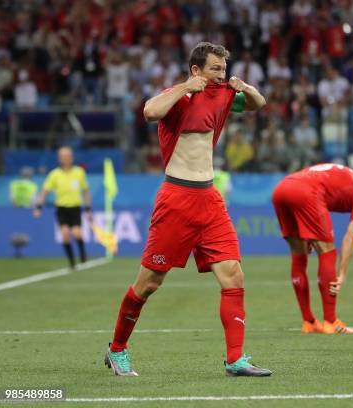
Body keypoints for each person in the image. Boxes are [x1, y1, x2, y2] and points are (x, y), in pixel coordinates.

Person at [105, 42, 271, 377]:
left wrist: (245, 87)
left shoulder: (224, 93)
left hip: (210, 200)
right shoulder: (179, 96)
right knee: (149, 283)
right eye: (214, 69)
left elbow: (258, 103)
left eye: (223, 69)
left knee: (233, 274)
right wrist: (185, 86)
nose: (220, 75)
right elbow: (149, 111)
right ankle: (117, 349)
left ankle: (235, 359)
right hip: (177, 199)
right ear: (196, 70)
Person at [272, 163, 353, 334]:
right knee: (327, 252)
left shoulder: (349, 179)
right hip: (306, 192)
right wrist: (342, 274)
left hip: (282, 189)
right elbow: (350, 236)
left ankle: (309, 322)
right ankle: (331, 321)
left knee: (298, 255)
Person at [34, 147, 91, 269]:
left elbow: (86, 191)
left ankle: (83, 256)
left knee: (77, 234)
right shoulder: (55, 174)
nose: (67, 158)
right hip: (62, 209)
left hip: (75, 208)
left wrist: (87, 209)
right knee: (65, 234)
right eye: (64, 156)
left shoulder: (79, 172)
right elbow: (45, 191)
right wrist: (39, 207)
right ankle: (72, 262)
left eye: (69, 156)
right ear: (60, 159)